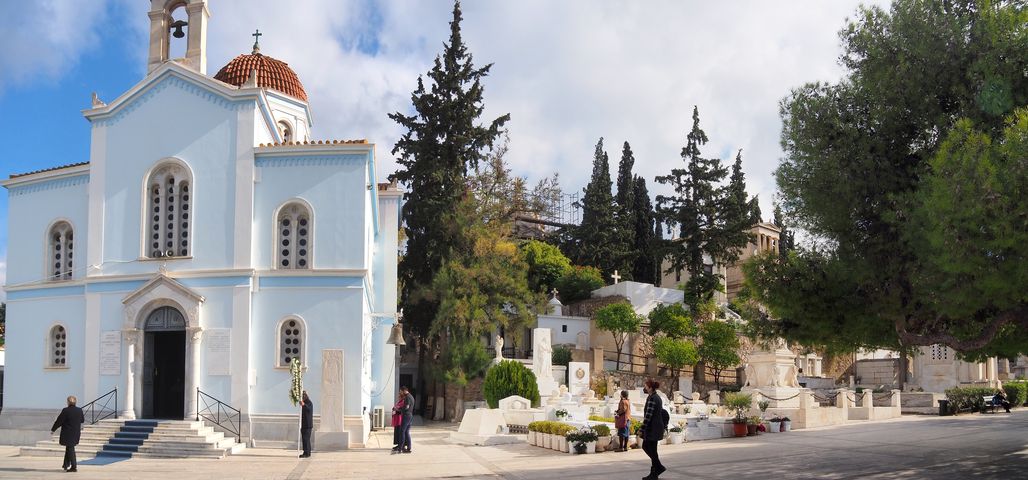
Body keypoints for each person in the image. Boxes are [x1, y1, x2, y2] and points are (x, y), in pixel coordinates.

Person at [639, 379, 667, 480]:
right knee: (651, 449)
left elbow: (648, 416)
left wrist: (642, 428)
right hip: (655, 427)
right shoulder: (654, 397)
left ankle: (657, 468)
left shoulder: (653, 398)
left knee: (648, 447)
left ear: (650, 388)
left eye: (646, 386)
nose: (645, 388)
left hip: (653, 428)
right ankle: (656, 470)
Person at [51, 395, 84, 473]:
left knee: (70, 448)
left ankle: (74, 467)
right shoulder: (79, 410)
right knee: (69, 447)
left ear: (68, 402)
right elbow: (82, 420)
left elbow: (59, 421)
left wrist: (53, 429)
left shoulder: (65, 410)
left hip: (68, 433)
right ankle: (65, 465)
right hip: (76, 432)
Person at [397, 386, 415, 454]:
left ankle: (401, 448)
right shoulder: (411, 396)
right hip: (410, 415)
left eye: (401, 391)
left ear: (404, 390)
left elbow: (406, 407)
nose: (400, 393)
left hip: (406, 416)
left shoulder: (407, 397)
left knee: (402, 431)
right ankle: (409, 448)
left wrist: (399, 409)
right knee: (407, 432)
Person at [299, 390, 313, 458]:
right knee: (304, 439)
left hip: (308, 425)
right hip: (304, 424)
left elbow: (309, 409)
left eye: (303, 396)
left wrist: (304, 405)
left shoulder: (309, 402)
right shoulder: (304, 402)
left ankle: (307, 453)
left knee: (306, 439)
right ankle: (306, 452)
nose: (303, 397)